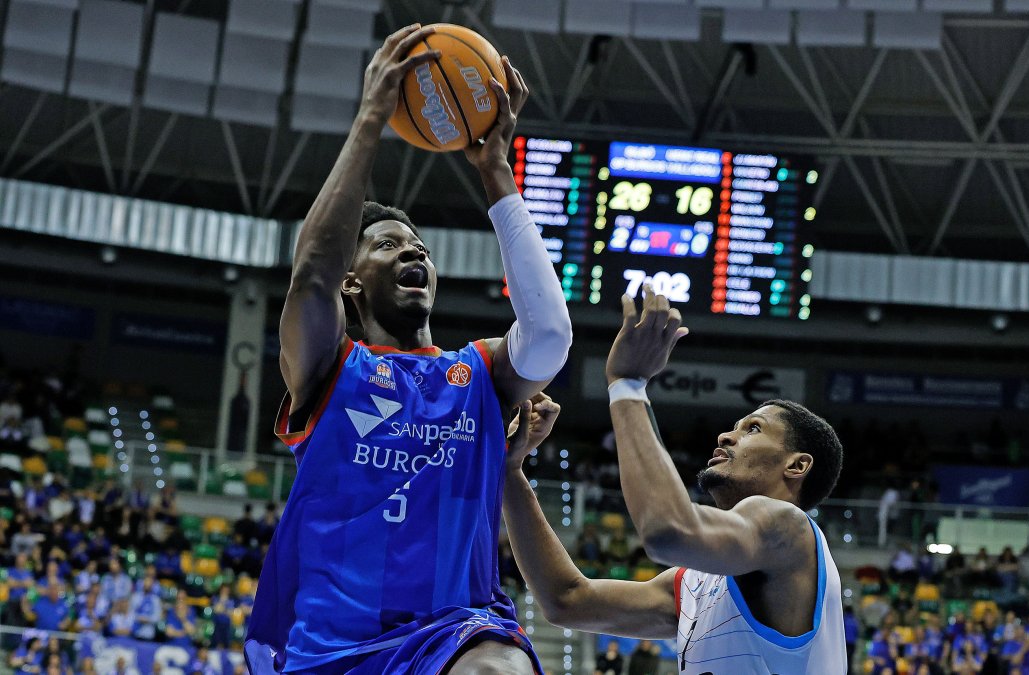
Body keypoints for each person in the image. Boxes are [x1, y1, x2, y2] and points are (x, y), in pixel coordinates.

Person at [244, 24, 570, 675]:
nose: (414, 250)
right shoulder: (331, 367)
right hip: (331, 646)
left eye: (419, 245)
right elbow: (310, 274)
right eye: (389, 244)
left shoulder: (475, 373)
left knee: (498, 668)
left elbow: (550, 336)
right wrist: (371, 120)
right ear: (353, 279)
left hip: (451, 632)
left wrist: (496, 174)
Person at [501, 287, 846, 673]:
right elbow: (566, 600)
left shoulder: (789, 530)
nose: (726, 436)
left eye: (753, 429)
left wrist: (627, 384)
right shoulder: (695, 583)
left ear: (797, 466)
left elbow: (668, 530)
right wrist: (511, 472)